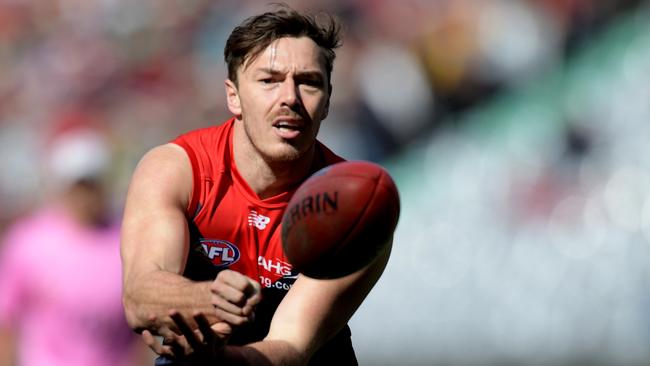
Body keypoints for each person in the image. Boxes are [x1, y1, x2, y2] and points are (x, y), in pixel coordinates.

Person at [120, 5, 393, 365]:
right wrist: (211, 299)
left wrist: (219, 358)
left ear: (327, 100)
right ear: (233, 96)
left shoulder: (356, 205)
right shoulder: (178, 168)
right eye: (269, 81)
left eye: (309, 82)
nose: (290, 99)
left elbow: (291, 347)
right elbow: (139, 297)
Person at [0, 117, 152, 366]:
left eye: (91, 185)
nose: (85, 196)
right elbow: (7, 322)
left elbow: (138, 330)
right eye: (78, 186)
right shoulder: (30, 241)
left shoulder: (127, 239)